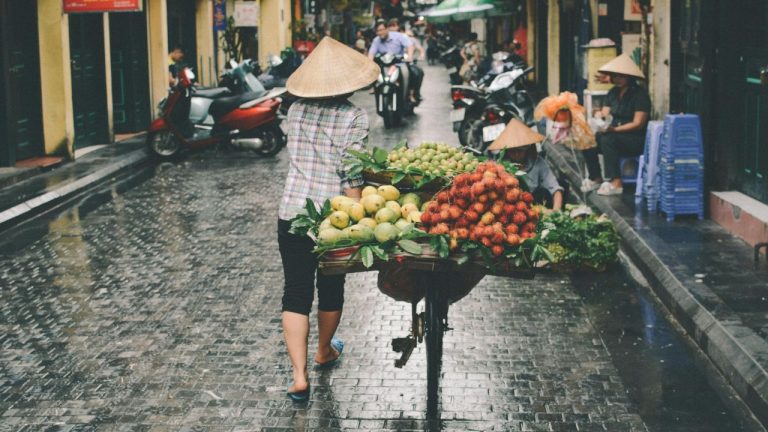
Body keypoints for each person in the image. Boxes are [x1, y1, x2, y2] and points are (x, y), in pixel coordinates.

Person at [279, 37, 378, 402]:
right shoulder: (353, 116)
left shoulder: (294, 111)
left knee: (296, 291)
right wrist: (357, 220)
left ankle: (299, 376)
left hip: (291, 212)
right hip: (332, 217)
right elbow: (351, 174)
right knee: (331, 287)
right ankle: (323, 351)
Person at [581, 54, 651, 196]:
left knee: (608, 138)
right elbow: (605, 112)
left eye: (621, 76)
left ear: (629, 77)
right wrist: (600, 118)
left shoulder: (639, 95)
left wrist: (615, 129)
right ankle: (595, 177)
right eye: (615, 76)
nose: (617, 79)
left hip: (634, 138)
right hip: (614, 134)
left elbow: (638, 123)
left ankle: (616, 182)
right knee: (587, 139)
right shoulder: (613, 92)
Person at [489, 119, 564, 211]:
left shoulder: (538, 162)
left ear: (528, 149)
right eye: (512, 151)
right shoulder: (501, 165)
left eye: (520, 151)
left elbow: (555, 188)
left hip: (533, 202)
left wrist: (556, 211)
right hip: (510, 205)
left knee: (542, 193)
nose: (516, 154)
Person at [368, 19, 420, 104]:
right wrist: (369, 63)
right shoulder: (376, 40)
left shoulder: (399, 36)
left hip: (399, 64)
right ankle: (375, 88)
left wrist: (409, 56)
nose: (380, 32)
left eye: (381, 30)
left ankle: (410, 94)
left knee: (410, 73)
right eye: (378, 31)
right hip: (383, 66)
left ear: (387, 29)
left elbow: (410, 46)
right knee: (374, 72)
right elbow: (371, 53)